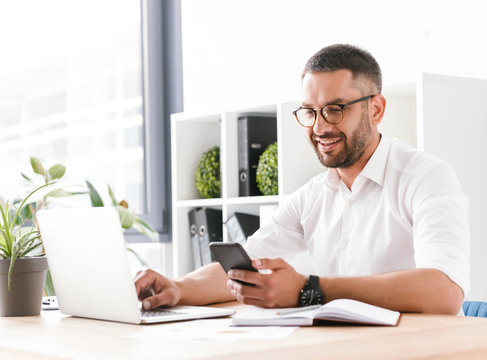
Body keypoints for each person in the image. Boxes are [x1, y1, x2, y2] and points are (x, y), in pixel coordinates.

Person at [135, 44, 469, 315]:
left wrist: (311, 289)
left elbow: (444, 291)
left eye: (335, 108)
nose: (320, 128)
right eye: (310, 111)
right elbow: (246, 267)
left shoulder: (426, 177)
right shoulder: (312, 196)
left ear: (376, 109)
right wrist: (178, 288)